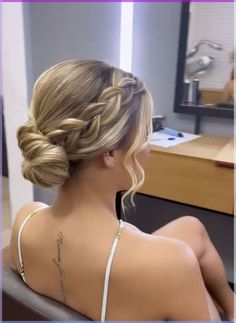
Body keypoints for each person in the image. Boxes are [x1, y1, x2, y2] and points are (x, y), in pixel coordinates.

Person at [10, 60, 234, 321]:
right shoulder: (174, 265)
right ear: (110, 152)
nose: (148, 148)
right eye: (144, 133)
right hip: (126, 281)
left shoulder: (26, 219)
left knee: (190, 227)